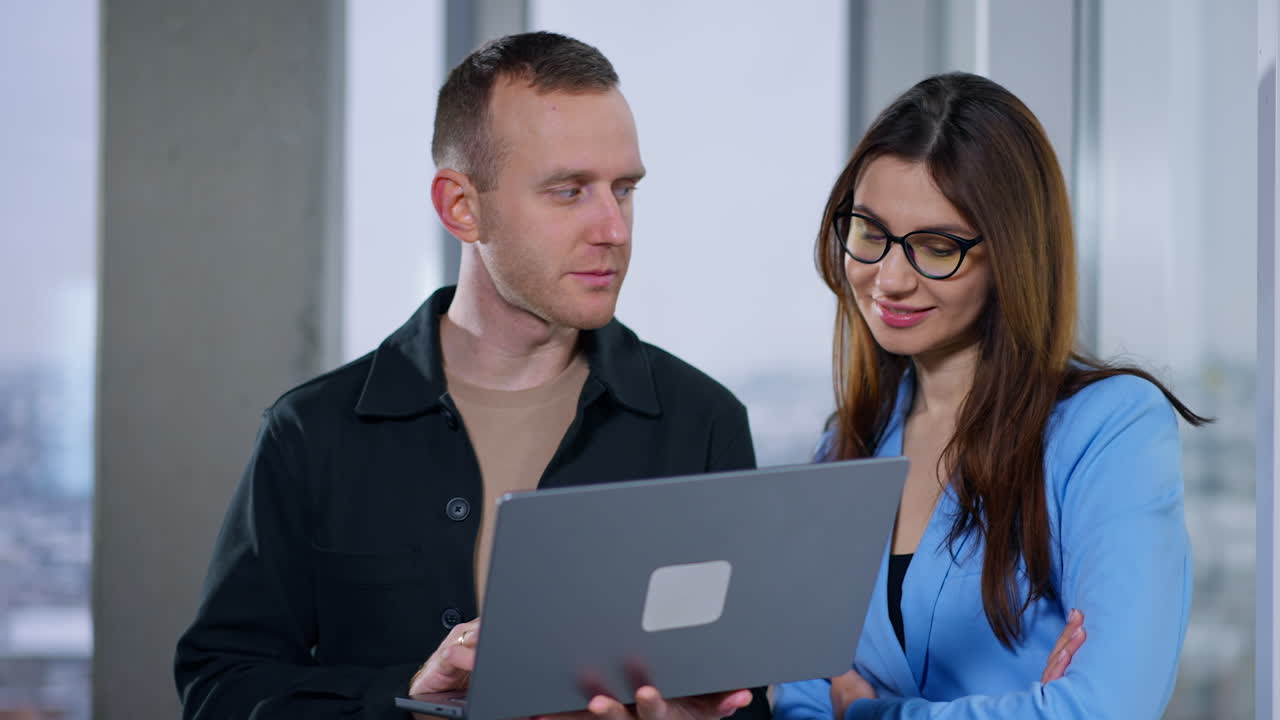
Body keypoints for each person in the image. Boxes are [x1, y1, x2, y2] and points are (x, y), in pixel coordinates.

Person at [174, 32, 769, 720]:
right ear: (461, 207)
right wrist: (408, 700)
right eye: (569, 190)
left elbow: (740, 695)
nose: (614, 227)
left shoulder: (703, 422)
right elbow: (220, 691)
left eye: (624, 189)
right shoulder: (309, 432)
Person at [773, 72, 1206, 719]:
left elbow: (1104, 708)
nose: (888, 278)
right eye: (869, 232)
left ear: (1011, 255)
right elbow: (801, 699)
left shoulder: (1107, 428)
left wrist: (868, 712)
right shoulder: (846, 441)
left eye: (936, 247)